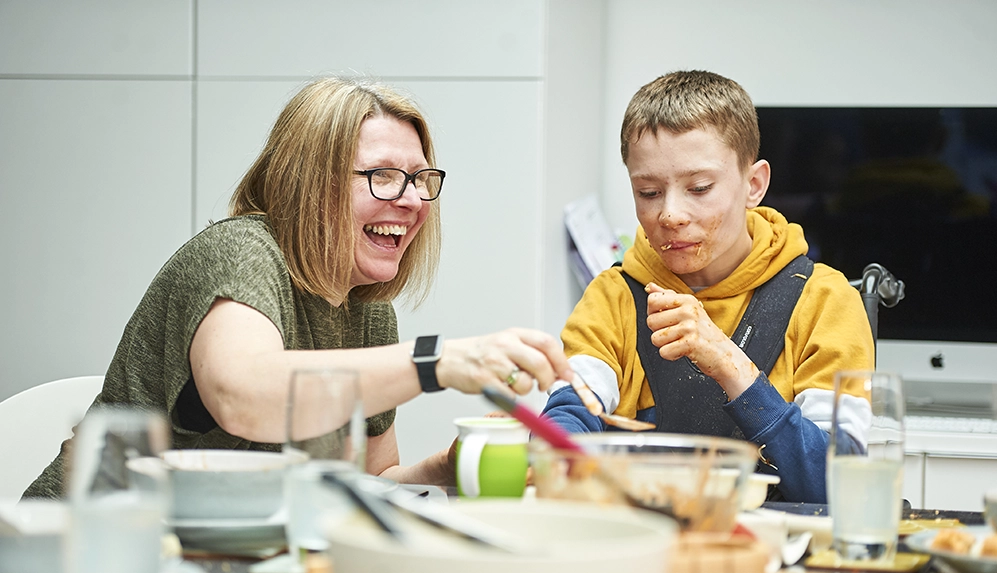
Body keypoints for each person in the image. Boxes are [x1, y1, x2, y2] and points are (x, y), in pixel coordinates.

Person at [24, 76, 572, 499]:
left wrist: (443, 471)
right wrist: (434, 363)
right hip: (75, 558)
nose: (410, 200)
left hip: (209, 571)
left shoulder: (366, 307)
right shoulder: (241, 253)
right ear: (309, 182)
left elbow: (370, 478)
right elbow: (244, 396)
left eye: (421, 180)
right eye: (382, 175)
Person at [541, 70, 874, 503]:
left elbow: (841, 486)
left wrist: (729, 364)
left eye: (699, 188)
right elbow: (570, 416)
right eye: (648, 192)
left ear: (754, 184)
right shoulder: (614, 297)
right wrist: (550, 447)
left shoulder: (825, 302)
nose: (670, 214)